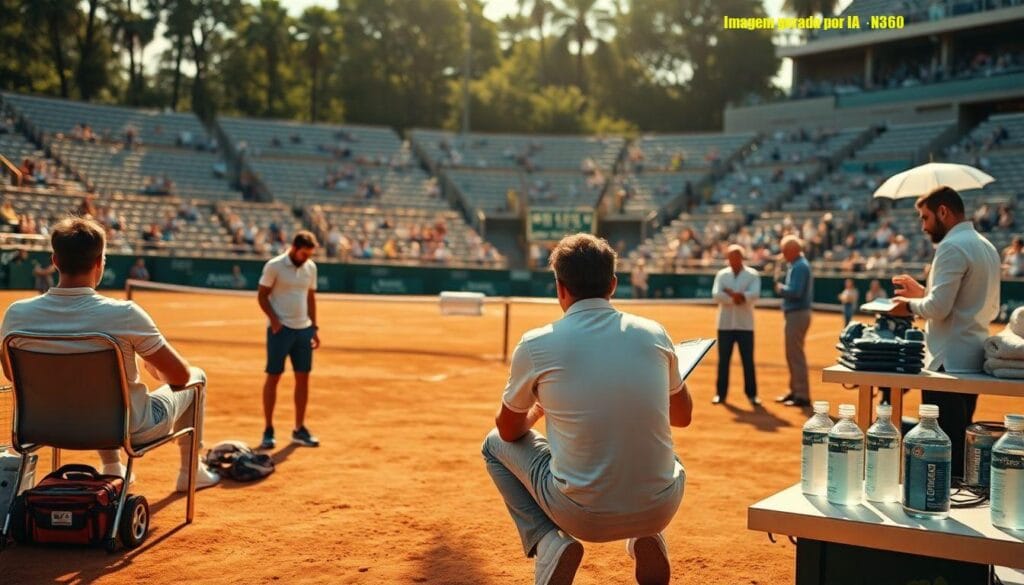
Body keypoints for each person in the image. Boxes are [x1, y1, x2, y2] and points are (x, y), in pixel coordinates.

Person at [481, 234, 691, 585]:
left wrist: (540, 407)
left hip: (581, 516)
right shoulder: (654, 333)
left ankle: (548, 542)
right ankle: (646, 534)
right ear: (613, 284)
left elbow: (508, 432)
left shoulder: (536, 344)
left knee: (492, 445)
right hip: (661, 507)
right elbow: (682, 417)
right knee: (655, 442)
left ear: (560, 289)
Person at [0, 218, 219, 491]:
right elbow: (179, 376)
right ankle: (191, 472)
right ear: (99, 262)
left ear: (55, 260)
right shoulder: (124, 315)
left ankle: (113, 466)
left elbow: (12, 374)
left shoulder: (16, 314)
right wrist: (154, 369)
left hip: (41, 426)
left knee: (89, 385)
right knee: (196, 375)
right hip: (122, 429)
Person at [892, 186, 1001, 474]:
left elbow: (939, 309)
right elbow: (981, 306)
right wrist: (922, 293)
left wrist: (908, 306)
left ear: (943, 211)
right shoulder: (986, 246)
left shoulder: (952, 246)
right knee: (958, 446)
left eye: (925, 217)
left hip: (945, 362)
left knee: (941, 452)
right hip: (972, 358)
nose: (923, 226)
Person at [257, 231, 322, 450]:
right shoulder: (274, 266)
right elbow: (262, 295)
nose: (307, 258)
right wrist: (275, 322)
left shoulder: (310, 267)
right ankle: (268, 430)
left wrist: (314, 327)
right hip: (280, 331)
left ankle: (299, 428)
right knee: (273, 377)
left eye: (309, 255)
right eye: (304, 253)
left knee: (303, 379)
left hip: (303, 331)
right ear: (294, 248)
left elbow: (310, 297)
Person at [711, 245, 761, 406]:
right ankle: (720, 394)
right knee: (723, 361)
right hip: (725, 325)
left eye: (735, 257)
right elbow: (716, 295)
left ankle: (752, 394)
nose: (732, 261)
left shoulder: (752, 274)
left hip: (745, 326)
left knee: (748, 361)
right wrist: (736, 298)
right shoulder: (722, 274)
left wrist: (736, 295)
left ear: (741, 258)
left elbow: (755, 294)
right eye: (730, 257)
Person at [774, 235, 813, 407]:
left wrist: (780, 288)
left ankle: (802, 395)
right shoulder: (797, 265)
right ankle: (795, 390)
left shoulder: (799, 266)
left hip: (797, 313)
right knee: (792, 354)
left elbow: (795, 292)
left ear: (792, 250)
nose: (782, 254)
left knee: (795, 355)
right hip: (796, 313)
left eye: (784, 251)